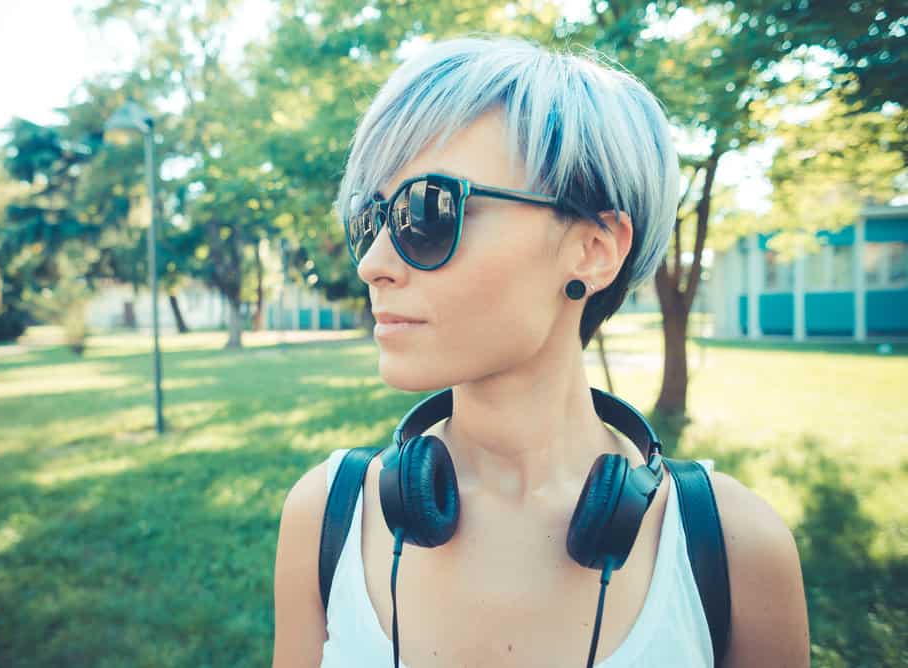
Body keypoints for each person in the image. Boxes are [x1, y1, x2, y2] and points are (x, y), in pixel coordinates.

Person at [273, 36, 809, 667]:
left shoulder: (734, 550)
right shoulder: (327, 519)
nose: (372, 264)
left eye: (428, 212)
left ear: (593, 249)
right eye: (373, 218)